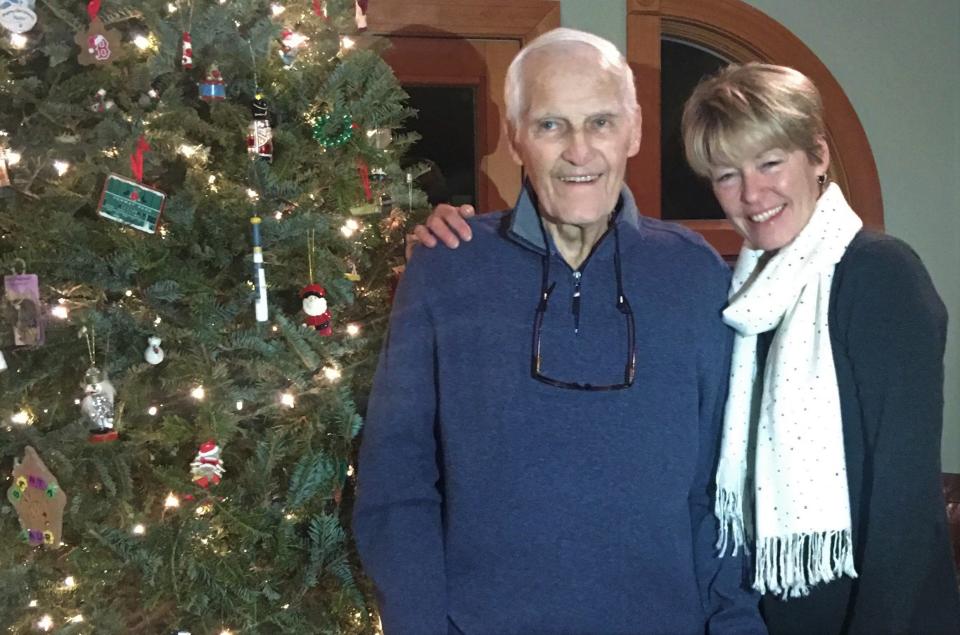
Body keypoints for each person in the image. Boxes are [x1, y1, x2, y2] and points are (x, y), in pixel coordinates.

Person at [421, 61, 960, 635]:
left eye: (770, 163)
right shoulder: (743, 294)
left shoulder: (878, 274)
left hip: (872, 615)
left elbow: (903, 509)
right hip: (769, 614)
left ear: (819, 157)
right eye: (727, 174)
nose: (752, 194)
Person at [353, 28, 765, 635]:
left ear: (635, 130)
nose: (580, 151)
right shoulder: (448, 268)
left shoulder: (693, 272)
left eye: (600, 122)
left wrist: (735, 625)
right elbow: (396, 483)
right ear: (516, 136)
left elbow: (719, 488)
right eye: (551, 125)